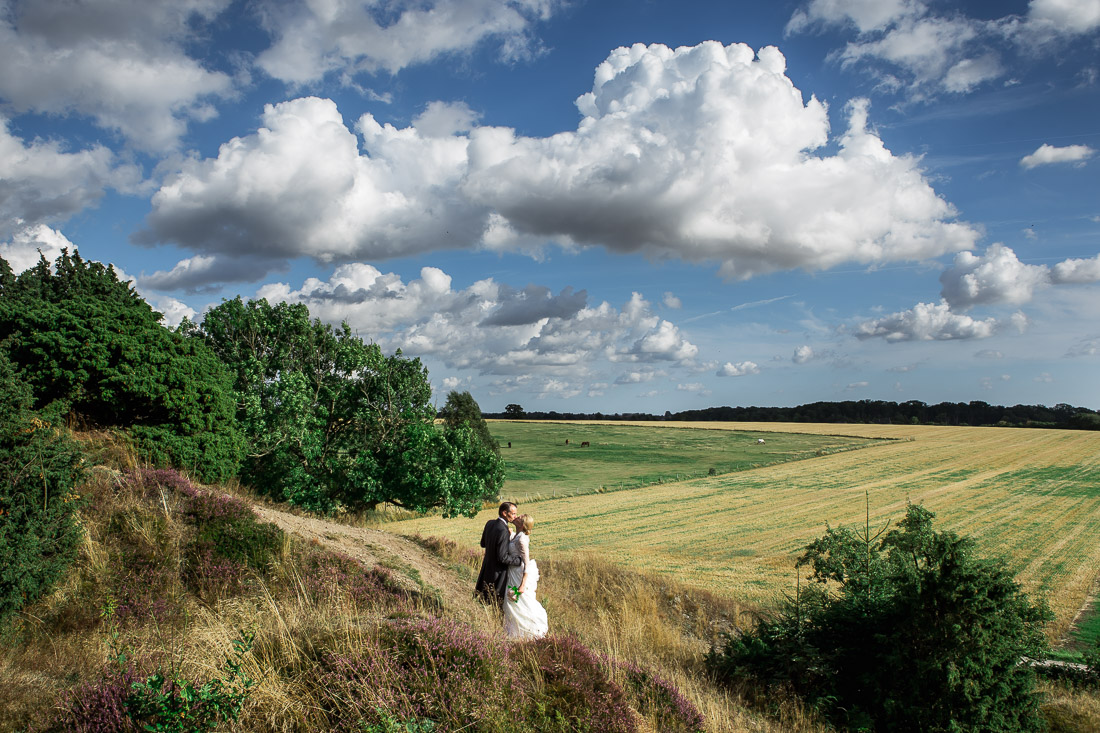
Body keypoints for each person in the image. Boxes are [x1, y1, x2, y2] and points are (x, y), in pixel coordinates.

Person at [502, 514, 549, 639]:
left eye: (519, 518)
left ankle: (530, 631)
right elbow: (513, 545)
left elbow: (526, 563)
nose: (516, 517)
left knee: (518, 601)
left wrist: (522, 585)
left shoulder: (522, 539)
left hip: (519, 573)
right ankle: (513, 632)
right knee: (511, 603)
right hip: (512, 572)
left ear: (521, 524)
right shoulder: (517, 535)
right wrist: (510, 534)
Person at [475, 502, 524, 605]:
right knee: (496, 604)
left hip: (486, 569)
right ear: (505, 513)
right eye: (513, 513)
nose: (515, 517)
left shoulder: (489, 523)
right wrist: (519, 561)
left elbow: (483, 543)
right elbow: (503, 557)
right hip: (497, 574)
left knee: (485, 603)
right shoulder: (503, 530)